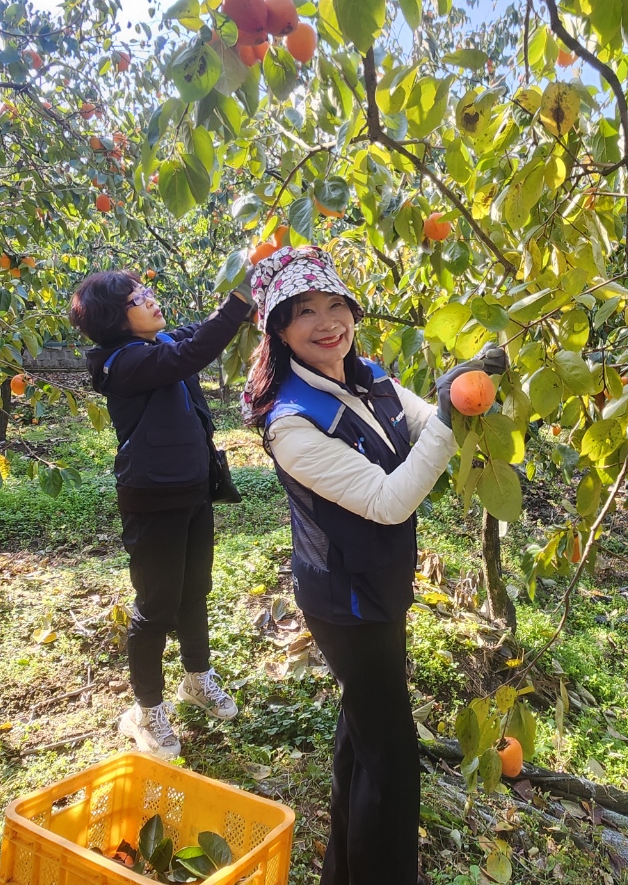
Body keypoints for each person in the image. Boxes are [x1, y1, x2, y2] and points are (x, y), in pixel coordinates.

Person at [242, 246, 506, 885]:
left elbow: (421, 422)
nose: (327, 322)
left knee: (361, 736)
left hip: (380, 585)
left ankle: (344, 871)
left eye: (337, 306)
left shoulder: (371, 377)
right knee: (392, 759)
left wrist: (462, 388)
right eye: (306, 311)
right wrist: (448, 414)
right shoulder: (292, 423)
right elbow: (389, 502)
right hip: (345, 603)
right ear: (279, 330)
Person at [70, 270, 253, 760]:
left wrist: (240, 308)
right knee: (155, 606)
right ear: (116, 318)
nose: (152, 300)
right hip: (152, 499)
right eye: (138, 298)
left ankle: (197, 678)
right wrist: (239, 299)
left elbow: (194, 335)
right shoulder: (121, 363)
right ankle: (146, 711)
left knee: (195, 589)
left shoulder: (160, 341)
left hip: (193, 490)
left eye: (148, 292)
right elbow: (190, 355)